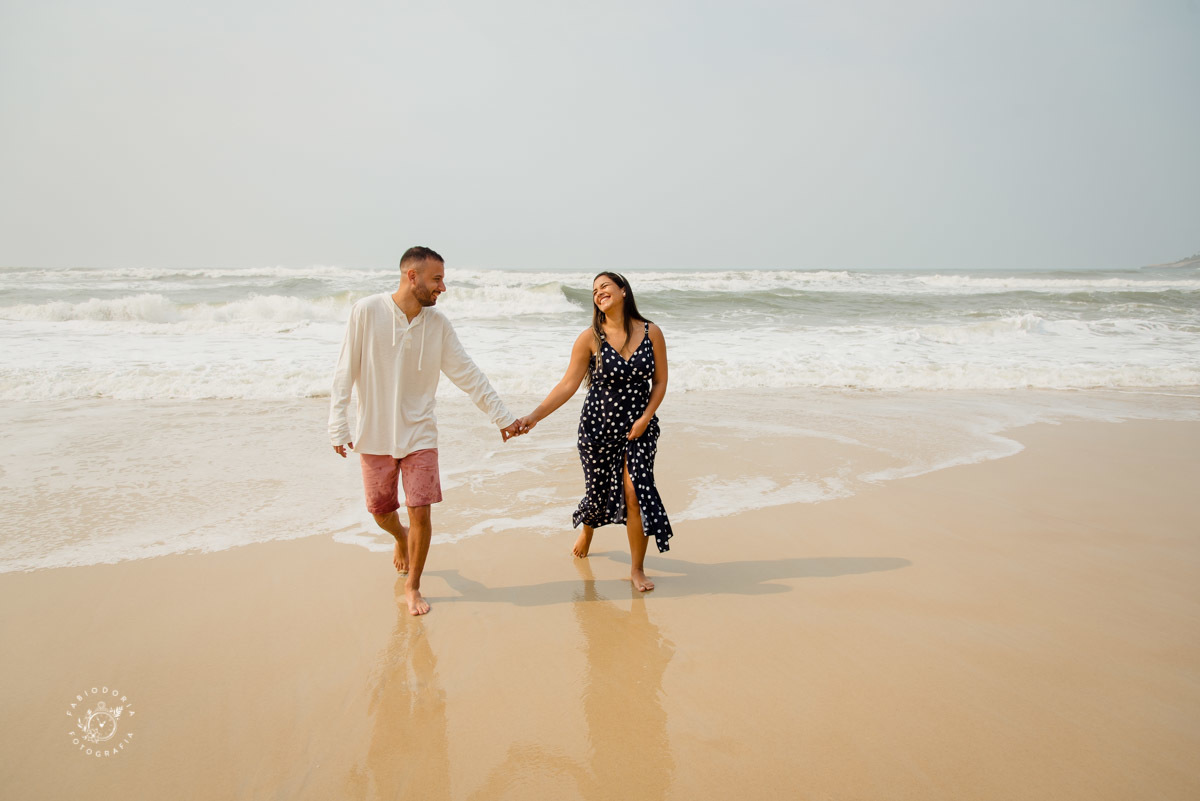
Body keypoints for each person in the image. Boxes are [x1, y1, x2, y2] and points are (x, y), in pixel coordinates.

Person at [329, 246, 523, 615]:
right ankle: (400, 537)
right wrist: (337, 424)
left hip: (420, 434)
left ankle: (413, 585)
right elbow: (344, 371)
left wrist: (502, 417)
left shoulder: (438, 325)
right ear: (411, 276)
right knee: (381, 511)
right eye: (437, 279)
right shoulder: (367, 311)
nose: (443, 288)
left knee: (421, 510)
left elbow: (468, 374)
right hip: (375, 434)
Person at [516, 272, 673, 591]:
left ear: (623, 291)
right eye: (594, 290)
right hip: (598, 427)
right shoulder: (589, 337)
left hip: (638, 429)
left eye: (605, 286)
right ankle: (588, 528)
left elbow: (660, 381)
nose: (599, 292)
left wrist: (646, 417)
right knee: (599, 491)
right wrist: (534, 416)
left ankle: (636, 569)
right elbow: (568, 385)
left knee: (635, 492)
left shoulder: (651, 331)